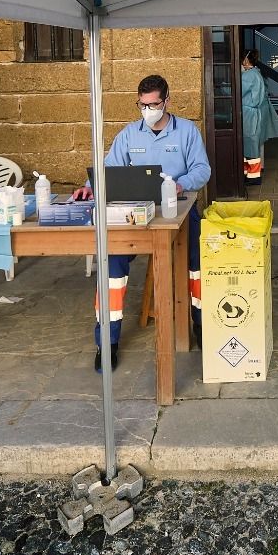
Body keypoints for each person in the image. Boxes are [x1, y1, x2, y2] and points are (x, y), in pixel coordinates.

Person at [75, 74, 211, 371]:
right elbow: (109, 168)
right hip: (135, 213)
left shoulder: (186, 131)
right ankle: (107, 342)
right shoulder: (129, 135)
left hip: (178, 208)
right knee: (111, 262)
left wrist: (180, 184)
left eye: (154, 104)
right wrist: (89, 187)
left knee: (199, 258)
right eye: (143, 105)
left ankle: (201, 324)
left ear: (167, 101)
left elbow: (202, 169)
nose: (148, 110)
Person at [239, 49, 278, 186]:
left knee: (250, 145)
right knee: (251, 145)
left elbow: (237, 91)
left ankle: (253, 176)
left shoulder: (248, 75)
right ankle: (249, 174)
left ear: (246, 60)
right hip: (255, 113)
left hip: (249, 114)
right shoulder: (257, 73)